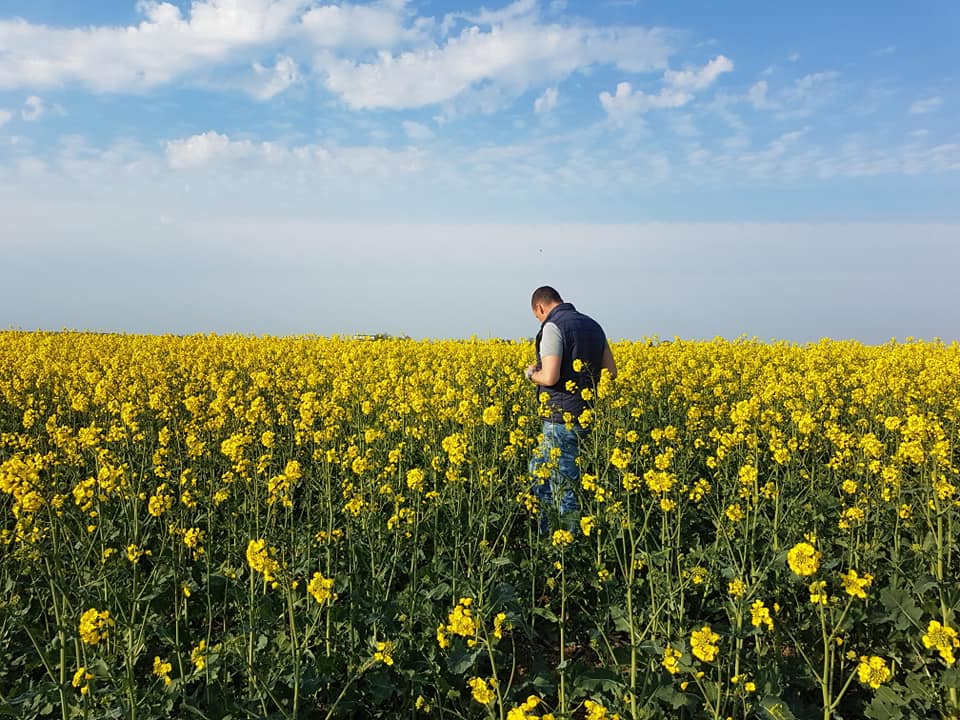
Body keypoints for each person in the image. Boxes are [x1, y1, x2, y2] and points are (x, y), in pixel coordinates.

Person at [525, 286, 617, 534]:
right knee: (540, 469)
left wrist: (533, 374)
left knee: (564, 483)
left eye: (538, 316)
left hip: (560, 418)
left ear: (540, 308)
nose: (540, 320)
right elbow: (610, 373)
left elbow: (551, 376)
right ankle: (547, 530)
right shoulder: (594, 326)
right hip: (587, 415)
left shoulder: (553, 326)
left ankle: (566, 544)